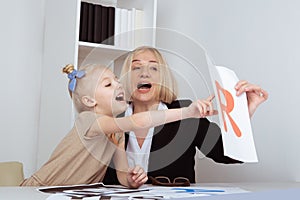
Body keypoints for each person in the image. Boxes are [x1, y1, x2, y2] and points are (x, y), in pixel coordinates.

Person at [20, 63, 216, 187]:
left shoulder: (117, 132)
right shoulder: (89, 120)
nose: (118, 85)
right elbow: (137, 120)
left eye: (116, 80)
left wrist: (131, 179)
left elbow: (122, 172)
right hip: (40, 190)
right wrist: (187, 112)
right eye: (108, 85)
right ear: (89, 102)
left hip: (70, 193)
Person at [103, 46, 269, 184]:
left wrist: (244, 112)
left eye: (153, 68)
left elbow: (227, 154)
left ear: (163, 78)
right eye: (136, 67)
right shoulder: (113, 119)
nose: (144, 73)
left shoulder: (187, 112)